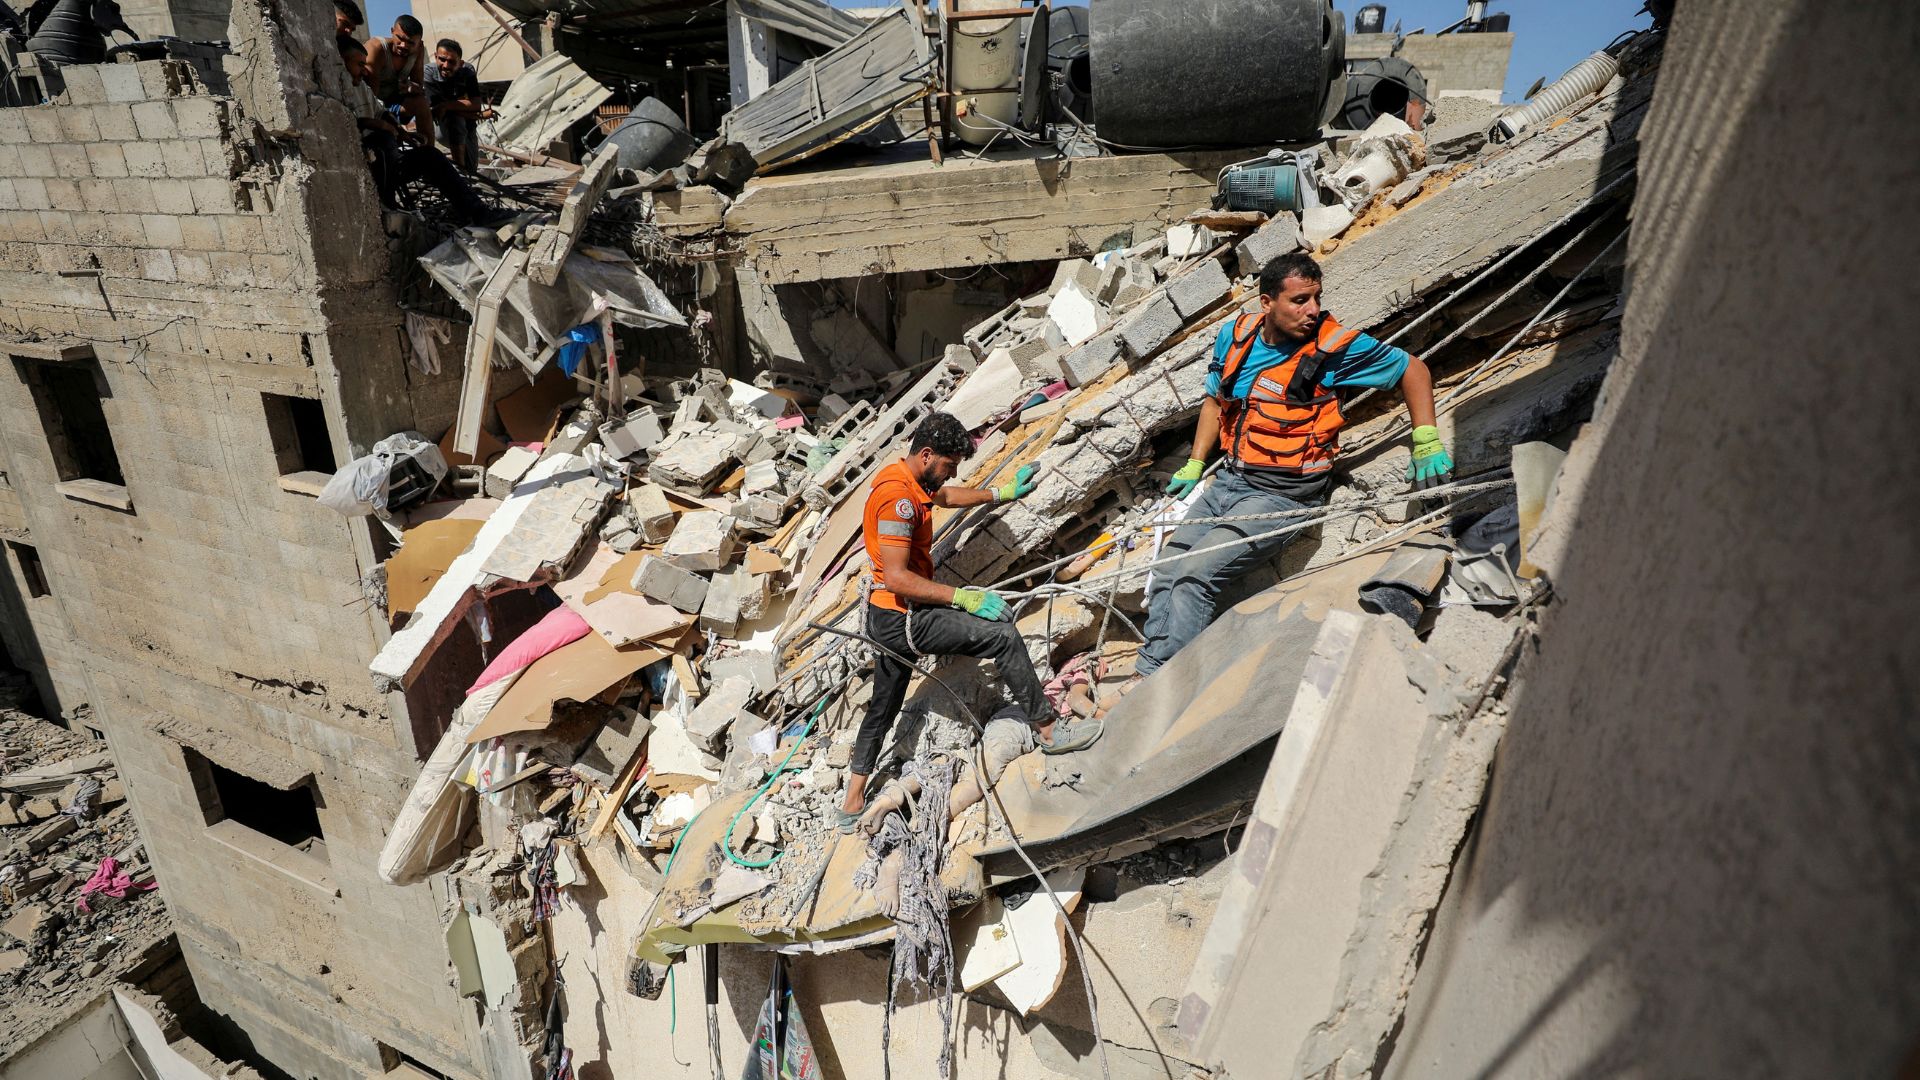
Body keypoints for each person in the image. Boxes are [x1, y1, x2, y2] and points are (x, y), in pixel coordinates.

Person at [1131, 253, 1452, 681]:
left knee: (1195, 574)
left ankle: (1163, 682)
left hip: (1282, 494)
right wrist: (1194, 463)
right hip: (1229, 479)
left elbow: (1412, 369)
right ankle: (1149, 670)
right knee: (1168, 565)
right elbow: (1215, 401)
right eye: (1300, 300)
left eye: (1316, 298)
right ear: (1267, 303)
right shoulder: (1237, 336)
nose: (1312, 310)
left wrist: (1425, 439)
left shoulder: (1333, 348)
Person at [839, 412, 1103, 831]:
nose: (950, 475)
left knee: (884, 703)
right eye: (948, 466)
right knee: (1001, 635)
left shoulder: (909, 478)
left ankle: (852, 801)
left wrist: (998, 493)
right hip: (902, 616)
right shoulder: (898, 500)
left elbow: (943, 498)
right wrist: (962, 597)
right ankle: (1050, 731)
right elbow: (897, 577)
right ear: (927, 454)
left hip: (886, 614)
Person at [337, 34, 495, 226]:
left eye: (364, 64)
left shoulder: (361, 87)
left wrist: (400, 131)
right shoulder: (336, 90)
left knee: (430, 154)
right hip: (366, 165)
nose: (364, 71)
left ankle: (477, 213)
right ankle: (387, 204)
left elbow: (381, 111)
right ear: (341, 62)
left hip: (389, 164)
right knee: (382, 139)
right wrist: (378, 125)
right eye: (359, 65)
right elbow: (345, 124)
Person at [425, 39, 492, 174]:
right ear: (435, 56)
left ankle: (465, 174)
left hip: (468, 125)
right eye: (442, 59)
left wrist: (447, 105)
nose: (445, 65)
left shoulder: (467, 71)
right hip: (442, 127)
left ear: (460, 63)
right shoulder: (428, 73)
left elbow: (475, 104)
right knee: (455, 120)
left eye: (452, 62)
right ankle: (459, 171)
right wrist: (478, 115)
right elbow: (436, 111)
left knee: (472, 169)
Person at [364, 14, 430, 141]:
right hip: (374, 106)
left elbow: (417, 87)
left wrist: (419, 56)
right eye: (400, 38)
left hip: (395, 104)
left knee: (421, 102)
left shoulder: (416, 52)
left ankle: (429, 154)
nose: (403, 45)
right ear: (392, 31)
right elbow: (370, 98)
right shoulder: (377, 49)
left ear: (419, 44)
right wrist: (394, 127)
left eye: (411, 43)